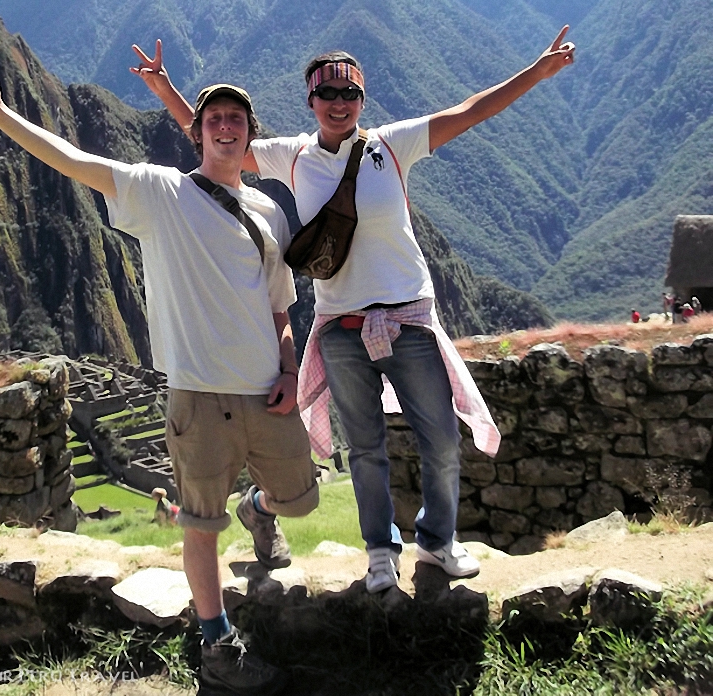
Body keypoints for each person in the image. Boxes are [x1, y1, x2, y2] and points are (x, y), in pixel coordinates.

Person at [136, 26, 574, 593]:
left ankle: (438, 540)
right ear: (311, 102)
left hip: (409, 318)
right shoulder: (290, 155)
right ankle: (380, 551)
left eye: (349, 95)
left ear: (362, 102)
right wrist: (166, 89)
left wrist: (535, 74)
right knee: (365, 447)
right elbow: (218, 143)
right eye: (327, 95)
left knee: (439, 436)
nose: (338, 104)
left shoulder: (392, 145)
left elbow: (469, 111)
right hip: (341, 328)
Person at [0, 54, 318, 694]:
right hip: (197, 396)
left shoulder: (270, 212)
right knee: (201, 526)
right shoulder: (161, 193)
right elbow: (74, 161)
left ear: (249, 134)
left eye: (237, 119)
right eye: (214, 119)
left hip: (266, 388)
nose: (225, 128)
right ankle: (217, 644)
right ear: (196, 132)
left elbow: (279, 302)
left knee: (301, 499)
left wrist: (289, 366)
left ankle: (260, 509)